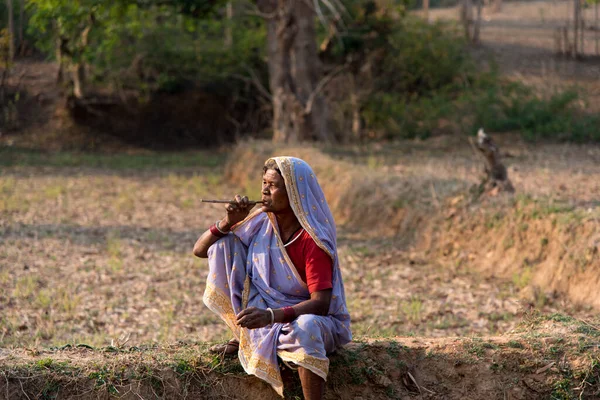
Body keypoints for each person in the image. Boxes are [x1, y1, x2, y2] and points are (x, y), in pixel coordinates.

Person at [193, 157, 351, 399]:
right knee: (223, 245)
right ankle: (243, 335)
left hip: (308, 320)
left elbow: (321, 304)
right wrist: (228, 222)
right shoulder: (261, 222)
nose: (264, 190)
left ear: (295, 195)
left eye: (273, 185)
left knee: (305, 327)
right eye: (263, 183)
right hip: (267, 317)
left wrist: (270, 316)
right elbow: (201, 250)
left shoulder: (312, 241)